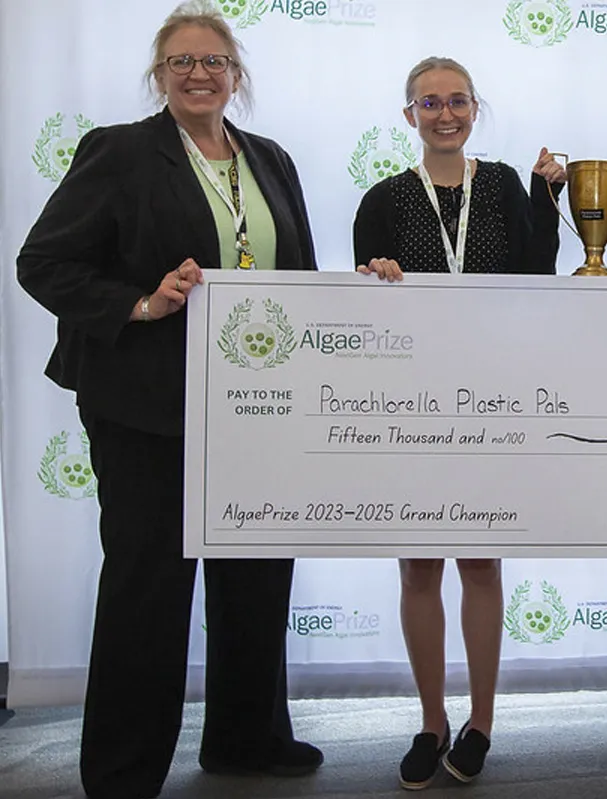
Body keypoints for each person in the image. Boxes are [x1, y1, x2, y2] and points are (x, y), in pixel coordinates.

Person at [15, 2, 323, 797]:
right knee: (149, 583)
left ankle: (247, 736)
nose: (198, 73)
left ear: (236, 75)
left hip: (256, 405)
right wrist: (142, 302)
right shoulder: (118, 152)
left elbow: (295, 279)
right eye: (181, 62)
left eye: (213, 61)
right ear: (159, 75)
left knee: (256, 572)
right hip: (146, 403)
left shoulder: (271, 160)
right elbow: (43, 261)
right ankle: (122, 768)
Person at [352, 56, 565, 790]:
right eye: (430, 103)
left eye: (459, 102)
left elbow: (539, 277)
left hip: (492, 395)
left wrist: (548, 196)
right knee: (418, 566)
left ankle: (480, 721)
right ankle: (430, 720)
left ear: (476, 108)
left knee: (479, 561)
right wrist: (373, 278)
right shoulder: (382, 198)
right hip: (410, 402)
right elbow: (366, 314)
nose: (446, 114)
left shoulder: (504, 184)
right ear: (408, 113)